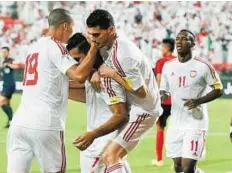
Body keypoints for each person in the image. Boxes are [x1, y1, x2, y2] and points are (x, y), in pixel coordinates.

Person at [7, 8, 98, 173]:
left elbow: (57, 82)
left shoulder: (33, 48)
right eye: (71, 27)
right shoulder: (57, 47)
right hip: (45, 124)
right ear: (64, 26)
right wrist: (93, 48)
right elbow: (78, 75)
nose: (71, 33)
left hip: (19, 123)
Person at [74, 9, 162, 173]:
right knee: (112, 156)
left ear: (111, 30)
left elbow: (142, 93)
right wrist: (95, 71)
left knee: (110, 156)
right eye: (90, 34)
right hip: (133, 108)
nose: (93, 39)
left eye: (97, 35)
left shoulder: (125, 55)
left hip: (144, 111)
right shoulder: (105, 44)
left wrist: (113, 75)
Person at [67, 33, 131, 173]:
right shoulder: (92, 75)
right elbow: (86, 95)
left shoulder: (106, 76)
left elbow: (121, 115)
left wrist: (93, 134)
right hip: (100, 145)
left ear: (90, 52)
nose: (76, 65)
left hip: (103, 145)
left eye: (78, 59)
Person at [160, 29, 223, 173]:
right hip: (175, 123)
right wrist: (159, 98)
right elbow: (164, 91)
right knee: (179, 167)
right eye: (177, 38)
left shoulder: (203, 66)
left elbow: (218, 89)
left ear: (193, 44)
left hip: (196, 123)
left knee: (188, 168)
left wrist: (198, 101)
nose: (179, 42)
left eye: (184, 39)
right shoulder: (168, 66)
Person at [152, 38, 175, 166]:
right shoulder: (178, 61)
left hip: (164, 101)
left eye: (162, 47)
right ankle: (178, 160)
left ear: (167, 48)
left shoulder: (161, 62)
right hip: (177, 101)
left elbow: (158, 81)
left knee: (160, 127)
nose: (161, 49)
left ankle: (159, 159)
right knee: (178, 128)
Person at [0, 47, 24, 128]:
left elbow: (17, 66)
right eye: (2, 52)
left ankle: (12, 119)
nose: (3, 53)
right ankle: (11, 121)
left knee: (1, 102)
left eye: (5, 52)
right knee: (7, 104)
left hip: (9, 85)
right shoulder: (3, 61)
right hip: (6, 85)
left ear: (8, 52)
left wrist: (8, 65)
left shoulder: (10, 60)